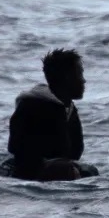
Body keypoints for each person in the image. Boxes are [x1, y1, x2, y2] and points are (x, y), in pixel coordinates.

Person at [7, 48, 90, 181]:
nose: (83, 81)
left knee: (89, 171)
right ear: (67, 78)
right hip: (30, 177)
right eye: (79, 74)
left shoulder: (68, 109)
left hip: (55, 174)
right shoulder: (33, 105)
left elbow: (75, 152)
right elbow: (17, 147)